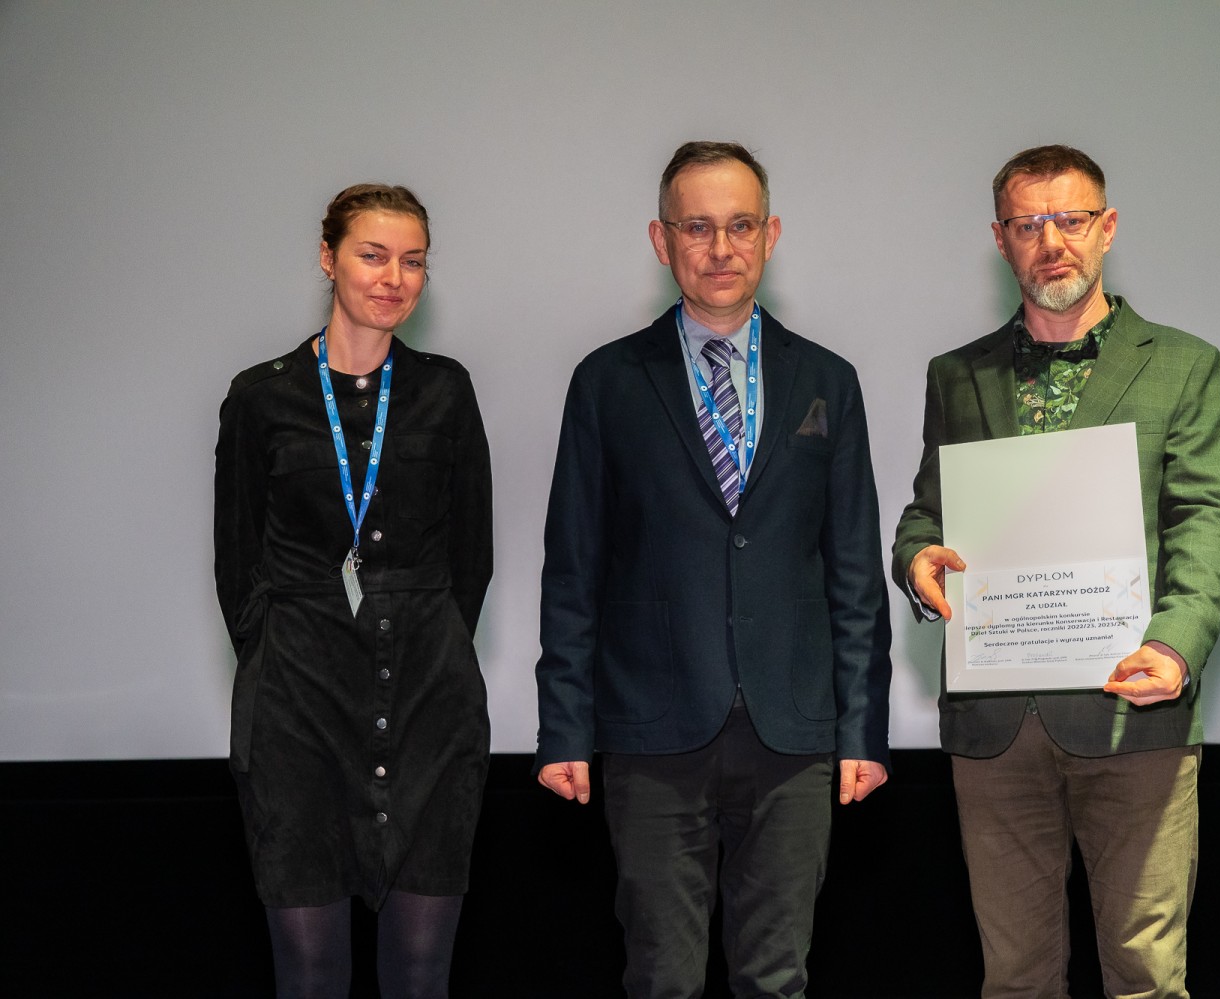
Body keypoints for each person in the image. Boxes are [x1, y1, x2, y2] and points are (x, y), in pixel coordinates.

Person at [534, 141, 892, 998]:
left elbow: (853, 571)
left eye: (740, 226)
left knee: (777, 978)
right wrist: (563, 728)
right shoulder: (606, 382)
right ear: (661, 240)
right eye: (697, 227)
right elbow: (573, 570)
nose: (720, 247)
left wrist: (863, 730)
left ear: (771, 235)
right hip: (652, 728)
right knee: (661, 977)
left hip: (794, 731)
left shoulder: (829, 380)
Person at [892, 145, 1220, 998]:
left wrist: (1176, 646)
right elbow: (929, 510)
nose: (1052, 241)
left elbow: (1206, 518)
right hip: (995, 728)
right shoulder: (956, 375)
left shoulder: (1185, 365)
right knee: (1014, 977)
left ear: (1107, 228)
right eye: (1028, 224)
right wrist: (916, 558)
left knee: (1145, 974)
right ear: (1001, 241)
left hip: (1134, 711)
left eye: (1072, 219)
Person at [214, 183, 492, 998]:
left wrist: (425, 636)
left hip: (430, 709)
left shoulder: (446, 389)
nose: (393, 278)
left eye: (413, 261)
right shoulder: (261, 396)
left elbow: (471, 559)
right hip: (297, 711)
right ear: (327, 257)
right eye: (373, 255)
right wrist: (285, 651)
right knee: (309, 977)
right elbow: (237, 565)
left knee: (420, 976)